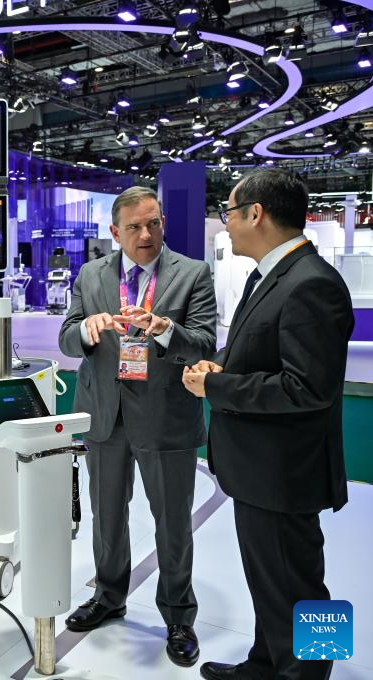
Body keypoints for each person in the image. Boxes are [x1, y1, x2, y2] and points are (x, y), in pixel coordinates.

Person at [182, 170, 353, 680]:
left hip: (284, 474)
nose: (226, 224)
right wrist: (220, 366)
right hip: (263, 471)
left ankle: (310, 675)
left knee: (303, 590)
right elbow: (263, 354)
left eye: (230, 213)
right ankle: (265, 664)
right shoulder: (275, 275)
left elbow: (307, 389)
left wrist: (217, 388)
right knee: (272, 583)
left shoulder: (311, 283)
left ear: (256, 214)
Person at [58, 186, 216, 668]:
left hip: (166, 417)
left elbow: (204, 342)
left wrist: (163, 328)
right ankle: (109, 596)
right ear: (115, 231)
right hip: (105, 415)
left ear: (162, 222)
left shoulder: (192, 273)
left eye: (153, 223)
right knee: (106, 515)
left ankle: (179, 616)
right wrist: (85, 330)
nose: (146, 234)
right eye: (134, 227)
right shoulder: (91, 274)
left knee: (173, 522)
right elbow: (67, 337)